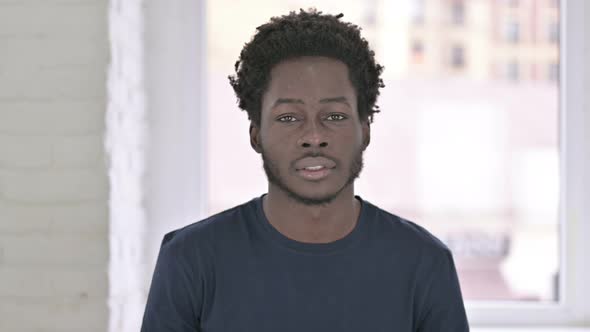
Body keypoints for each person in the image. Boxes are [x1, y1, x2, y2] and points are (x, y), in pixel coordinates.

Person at [141, 9, 469, 332]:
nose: (314, 136)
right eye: (288, 118)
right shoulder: (191, 260)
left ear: (365, 129)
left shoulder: (423, 263)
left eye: (335, 116)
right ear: (256, 133)